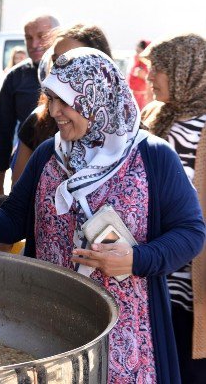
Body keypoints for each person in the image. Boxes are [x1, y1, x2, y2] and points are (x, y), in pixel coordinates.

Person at [0, 48, 206, 383]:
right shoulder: (49, 155)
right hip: (52, 326)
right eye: (51, 99)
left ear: (97, 98)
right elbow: (13, 222)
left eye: (65, 102)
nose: (54, 112)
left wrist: (137, 259)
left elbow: (191, 232)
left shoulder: (151, 157)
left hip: (125, 337)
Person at [141, 34, 206, 383]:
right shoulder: (153, 116)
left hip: (194, 275)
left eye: (159, 70)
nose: (150, 78)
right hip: (152, 265)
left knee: (189, 365)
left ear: (185, 71)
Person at [12, 24, 112, 186]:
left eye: (72, 61)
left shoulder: (135, 141)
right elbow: (17, 200)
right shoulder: (38, 123)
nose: (60, 70)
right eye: (55, 61)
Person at [0, 14, 59, 196]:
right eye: (28, 38)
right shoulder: (15, 77)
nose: (34, 44)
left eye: (41, 37)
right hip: (25, 173)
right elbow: (2, 133)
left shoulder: (71, 73)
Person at [129, 39, 151, 110]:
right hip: (133, 98)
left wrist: (144, 75)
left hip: (143, 100)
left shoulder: (148, 65)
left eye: (139, 52)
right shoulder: (136, 63)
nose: (137, 54)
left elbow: (150, 82)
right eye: (136, 51)